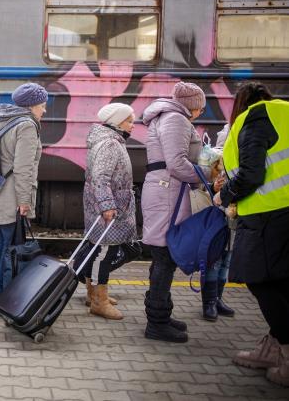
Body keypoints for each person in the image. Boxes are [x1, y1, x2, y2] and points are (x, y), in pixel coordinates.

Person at [213, 82, 289, 387]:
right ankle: (273, 348)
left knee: (260, 280)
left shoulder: (255, 119)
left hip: (268, 215)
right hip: (281, 214)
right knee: (281, 281)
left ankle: (285, 350)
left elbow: (252, 173)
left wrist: (226, 195)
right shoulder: (283, 112)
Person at [140, 81, 206, 343]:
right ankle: (157, 322)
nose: (201, 112)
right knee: (165, 257)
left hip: (166, 191)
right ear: (192, 105)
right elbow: (176, 163)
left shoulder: (169, 117)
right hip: (168, 193)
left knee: (163, 257)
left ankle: (161, 315)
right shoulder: (176, 119)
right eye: (200, 107)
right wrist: (204, 178)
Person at [0, 82, 46, 298]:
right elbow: (24, 168)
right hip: (11, 194)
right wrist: (24, 201)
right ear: (31, 106)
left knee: (3, 237)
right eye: (42, 105)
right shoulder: (27, 126)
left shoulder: (0, 118)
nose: (44, 110)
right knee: (10, 241)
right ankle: (1, 288)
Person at [81, 103, 138, 320]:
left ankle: (92, 294)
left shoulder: (108, 141)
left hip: (108, 205)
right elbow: (101, 177)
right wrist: (107, 205)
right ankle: (99, 302)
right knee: (105, 253)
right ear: (117, 122)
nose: (133, 125)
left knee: (96, 251)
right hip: (109, 208)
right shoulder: (110, 144)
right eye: (129, 120)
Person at [199, 127, 236, 321]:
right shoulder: (215, 159)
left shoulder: (241, 160)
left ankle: (218, 298)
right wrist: (214, 188)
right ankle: (209, 302)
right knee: (214, 260)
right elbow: (203, 189)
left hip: (234, 219)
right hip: (217, 218)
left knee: (227, 260)